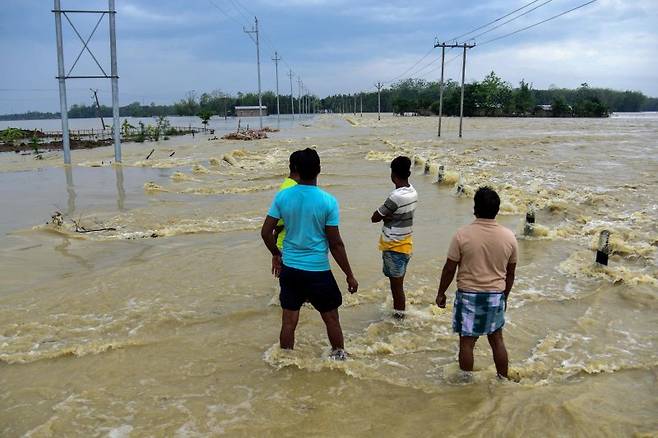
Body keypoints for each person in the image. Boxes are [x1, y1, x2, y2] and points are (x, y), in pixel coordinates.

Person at [261, 148, 358, 360]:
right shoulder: (328, 201)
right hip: (318, 271)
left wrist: (276, 253)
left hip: (291, 269)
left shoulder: (283, 196)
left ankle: (285, 362)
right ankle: (339, 359)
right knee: (331, 318)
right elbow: (336, 244)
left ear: (295, 169)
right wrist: (349, 274)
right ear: (319, 170)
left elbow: (266, 232)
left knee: (289, 321)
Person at [435, 186, 518, 378]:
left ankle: (466, 384)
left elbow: (449, 268)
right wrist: (504, 297)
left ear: (475, 208)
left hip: (468, 295)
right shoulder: (509, 237)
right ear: (497, 210)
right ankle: (502, 379)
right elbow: (510, 273)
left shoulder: (462, 235)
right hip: (495, 295)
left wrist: (441, 293)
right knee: (497, 340)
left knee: (467, 342)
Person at [371, 156, 418, 318]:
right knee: (398, 285)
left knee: (397, 289)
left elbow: (375, 217)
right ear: (409, 173)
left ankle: (399, 320)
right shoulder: (413, 192)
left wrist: (385, 216)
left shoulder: (396, 197)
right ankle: (399, 315)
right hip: (406, 244)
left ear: (393, 175)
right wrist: (388, 216)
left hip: (394, 247)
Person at [273, 151, 301, 250]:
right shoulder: (292, 188)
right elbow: (278, 223)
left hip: (286, 245)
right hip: (288, 246)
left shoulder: (287, 185)